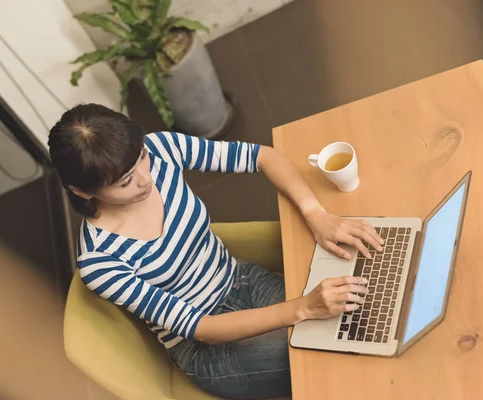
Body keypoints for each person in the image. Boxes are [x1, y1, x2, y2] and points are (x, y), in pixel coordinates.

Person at [48, 104, 384, 400]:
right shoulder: (100, 262)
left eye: (142, 160)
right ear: (81, 191)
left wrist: (317, 215)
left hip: (241, 279)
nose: (145, 179)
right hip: (205, 346)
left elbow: (262, 156)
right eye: (124, 182)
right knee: (334, 352)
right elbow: (201, 327)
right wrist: (303, 308)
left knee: (364, 315)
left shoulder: (161, 148)